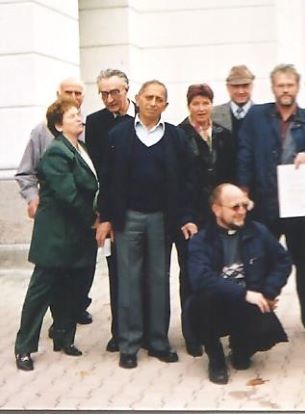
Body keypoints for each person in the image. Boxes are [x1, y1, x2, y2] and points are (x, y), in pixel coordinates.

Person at [96, 80, 197, 369]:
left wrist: (186, 216)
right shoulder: (118, 135)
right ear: (138, 99)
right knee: (128, 282)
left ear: (166, 104)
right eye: (149, 97)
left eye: (159, 99)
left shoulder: (176, 137)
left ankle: (158, 341)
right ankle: (129, 345)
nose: (153, 103)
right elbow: (107, 180)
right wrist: (106, 218)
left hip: (162, 219)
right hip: (128, 218)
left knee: (158, 280)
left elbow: (187, 181)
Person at [236, 64, 305, 344]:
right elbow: (244, 153)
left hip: (299, 208)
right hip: (264, 204)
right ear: (273, 88)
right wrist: (243, 191)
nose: (285, 90)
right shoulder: (256, 117)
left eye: (290, 85)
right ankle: (254, 323)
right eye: (281, 85)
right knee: (257, 264)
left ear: (297, 87)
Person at [15, 97, 98, 371]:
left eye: (79, 114)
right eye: (73, 116)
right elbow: (68, 195)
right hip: (56, 236)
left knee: (72, 289)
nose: (79, 118)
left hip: (77, 234)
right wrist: (94, 219)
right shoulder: (55, 153)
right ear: (59, 125)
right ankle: (24, 348)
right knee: (40, 293)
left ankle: (64, 338)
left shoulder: (80, 148)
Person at [188, 184, 291, 384]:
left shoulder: (258, 231)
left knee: (268, 333)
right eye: (235, 207)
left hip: (248, 303)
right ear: (217, 209)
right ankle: (216, 359)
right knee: (202, 301)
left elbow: (283, 261)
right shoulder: (201, 240)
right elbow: (200, 279)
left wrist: (268, 292)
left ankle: (241, 349)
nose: (242, 211)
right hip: (216, 304)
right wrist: (244, 294)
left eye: (245, 205)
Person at [176, 83, 237, 356]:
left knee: (222, 272)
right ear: (188, 106)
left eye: (205, 103)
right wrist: (185, 217)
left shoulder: (224, 135)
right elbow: (176, 182)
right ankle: (192, 334)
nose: (201, 108)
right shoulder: (179, 136)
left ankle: (220, 328)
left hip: (218, 217)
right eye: (195, 104)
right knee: (191, 276)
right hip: (191, 218)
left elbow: (231, 176)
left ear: (212, 104)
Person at [84, 68, 136, 353]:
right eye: (103, 94)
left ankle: (146, 330)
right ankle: (120, 332)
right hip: (114, 211)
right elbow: (100, 175)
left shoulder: (146, 114)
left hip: (146, 209)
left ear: (127, 89)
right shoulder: (95, 123)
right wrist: (105, 216)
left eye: (114, 92)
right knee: (117, 274)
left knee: (147, 275)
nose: (109, 99)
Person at [213, 65, 255, 140]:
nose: (240, 91)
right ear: (228, 87)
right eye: (235, 86)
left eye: (245, 86)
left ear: (252, 86)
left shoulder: (263, 115)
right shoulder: (214, 114)